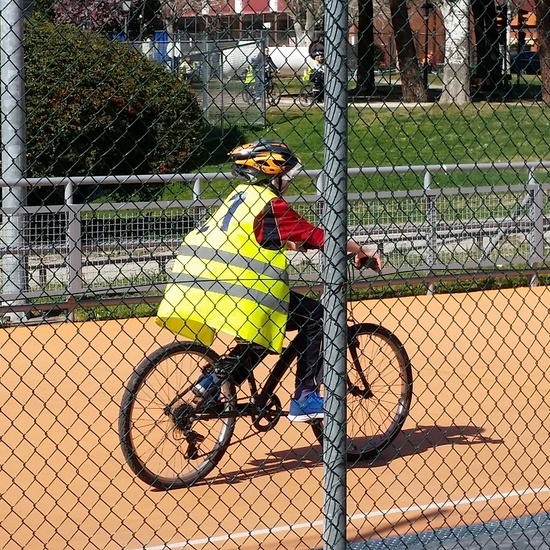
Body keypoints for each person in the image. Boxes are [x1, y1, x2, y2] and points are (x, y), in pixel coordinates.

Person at [156, 139, 381, 422]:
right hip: (241, 293)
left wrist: (290, 244)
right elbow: (322, 236)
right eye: (285, 173)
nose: (288, 180)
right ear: (271, 172)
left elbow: (246, 238)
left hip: (199, 288)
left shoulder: (239, 198)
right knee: (318, 317)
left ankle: (213, 382)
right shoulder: (271, 205)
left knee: (261, 334)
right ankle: (305, 397)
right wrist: (363, 250)